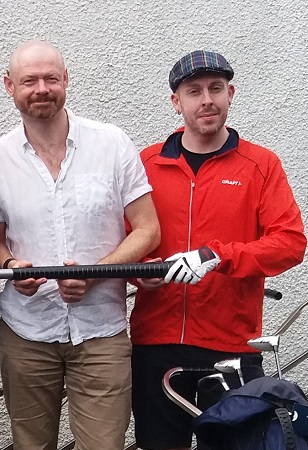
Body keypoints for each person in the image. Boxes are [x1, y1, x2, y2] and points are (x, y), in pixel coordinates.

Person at [0, 40, 160, 449]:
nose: (41, 88)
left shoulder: (111, 143)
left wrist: (95, 275)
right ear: (9, 86)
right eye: (29, 80)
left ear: (66, 81)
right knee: (32, 445)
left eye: (51, 78)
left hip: (101, 333)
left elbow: (148, 230)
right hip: (26, 332)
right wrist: (9, 266)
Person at [130, 50, 306, 450]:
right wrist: (139, 270)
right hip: (156, 344)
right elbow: (122, 240)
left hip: (231, 347)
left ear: (231, 93)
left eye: (215, 89)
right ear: (177, 102)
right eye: (193, 91)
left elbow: (291, 243)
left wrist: (217, 256)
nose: (206, 99)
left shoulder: (261, 165)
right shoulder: (146, 164)